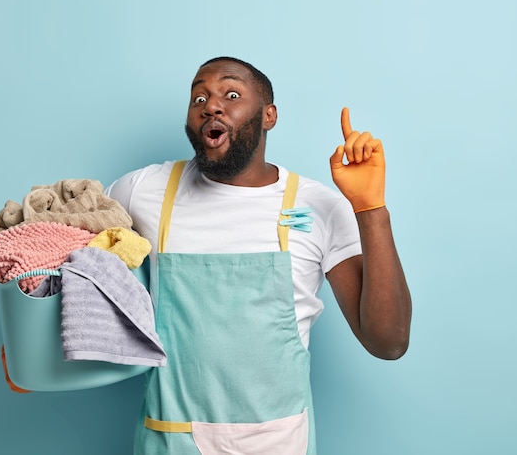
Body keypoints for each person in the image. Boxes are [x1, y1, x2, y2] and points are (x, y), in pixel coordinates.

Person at [106, 56, 412, 455]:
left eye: (231, 94)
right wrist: (33, 354)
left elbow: (388, 343)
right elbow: (71, 264)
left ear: (269, 116)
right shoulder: (142, 191)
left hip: (278, 443)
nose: (211, 105)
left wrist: (371, 209)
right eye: (198, 97)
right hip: (170, 438)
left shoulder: (315, 205)